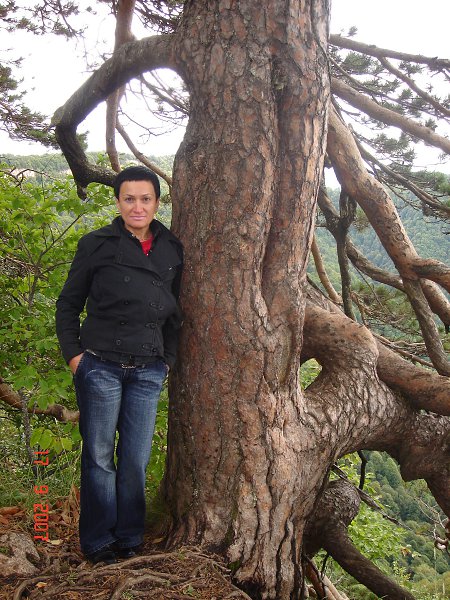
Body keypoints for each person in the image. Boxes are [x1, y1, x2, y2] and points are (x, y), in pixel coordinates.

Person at [56, 166, 183, 565]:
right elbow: (68, 304)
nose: (137, 207)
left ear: (157, 203)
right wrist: (75, 357)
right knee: (98, 458)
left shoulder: (172, 248)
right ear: (118, 202)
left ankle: (129, 538)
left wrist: (167, 361)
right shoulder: (95, 244)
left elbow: (176, 313)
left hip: (148, 369)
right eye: (129, 199)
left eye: (145, 199)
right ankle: (97, 542)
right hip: (100, 365)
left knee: (134, 459)